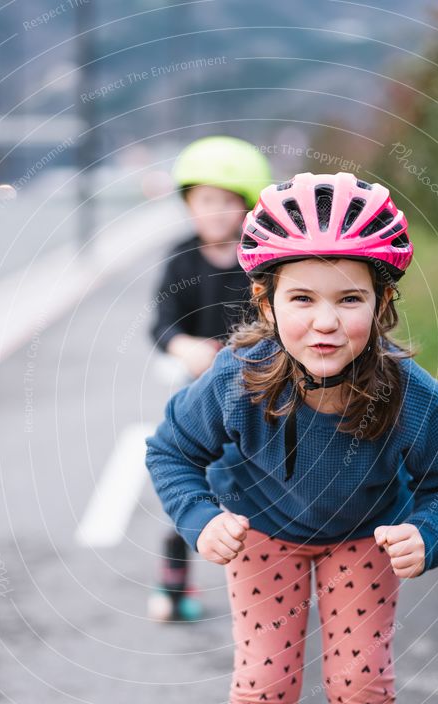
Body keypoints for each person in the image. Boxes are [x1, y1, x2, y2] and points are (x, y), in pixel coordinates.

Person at [145, 171, 438, 704]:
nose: (325, 322)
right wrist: (199, 517)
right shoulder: (234, 381)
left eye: (349, 299)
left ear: (381, 305)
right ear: (266, 302)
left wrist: (428, 532)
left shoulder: (411, 397)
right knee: (262, 692)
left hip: (364, 538)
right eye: (302, 299)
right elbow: (172, 452)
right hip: (261, 533)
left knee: (363, 694)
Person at [147, 135, 272, 622]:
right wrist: (183, 346)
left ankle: (277, 578)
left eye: (225, 202)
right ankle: (174, 590)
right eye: (203, 201)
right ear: (188, 205)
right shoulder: (181, 257)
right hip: (200, 396)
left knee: (258, 488)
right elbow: (161, 321)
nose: (214, 212)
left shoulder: (259, 258)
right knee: (190, 486)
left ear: (246, 207)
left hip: (261, 392)